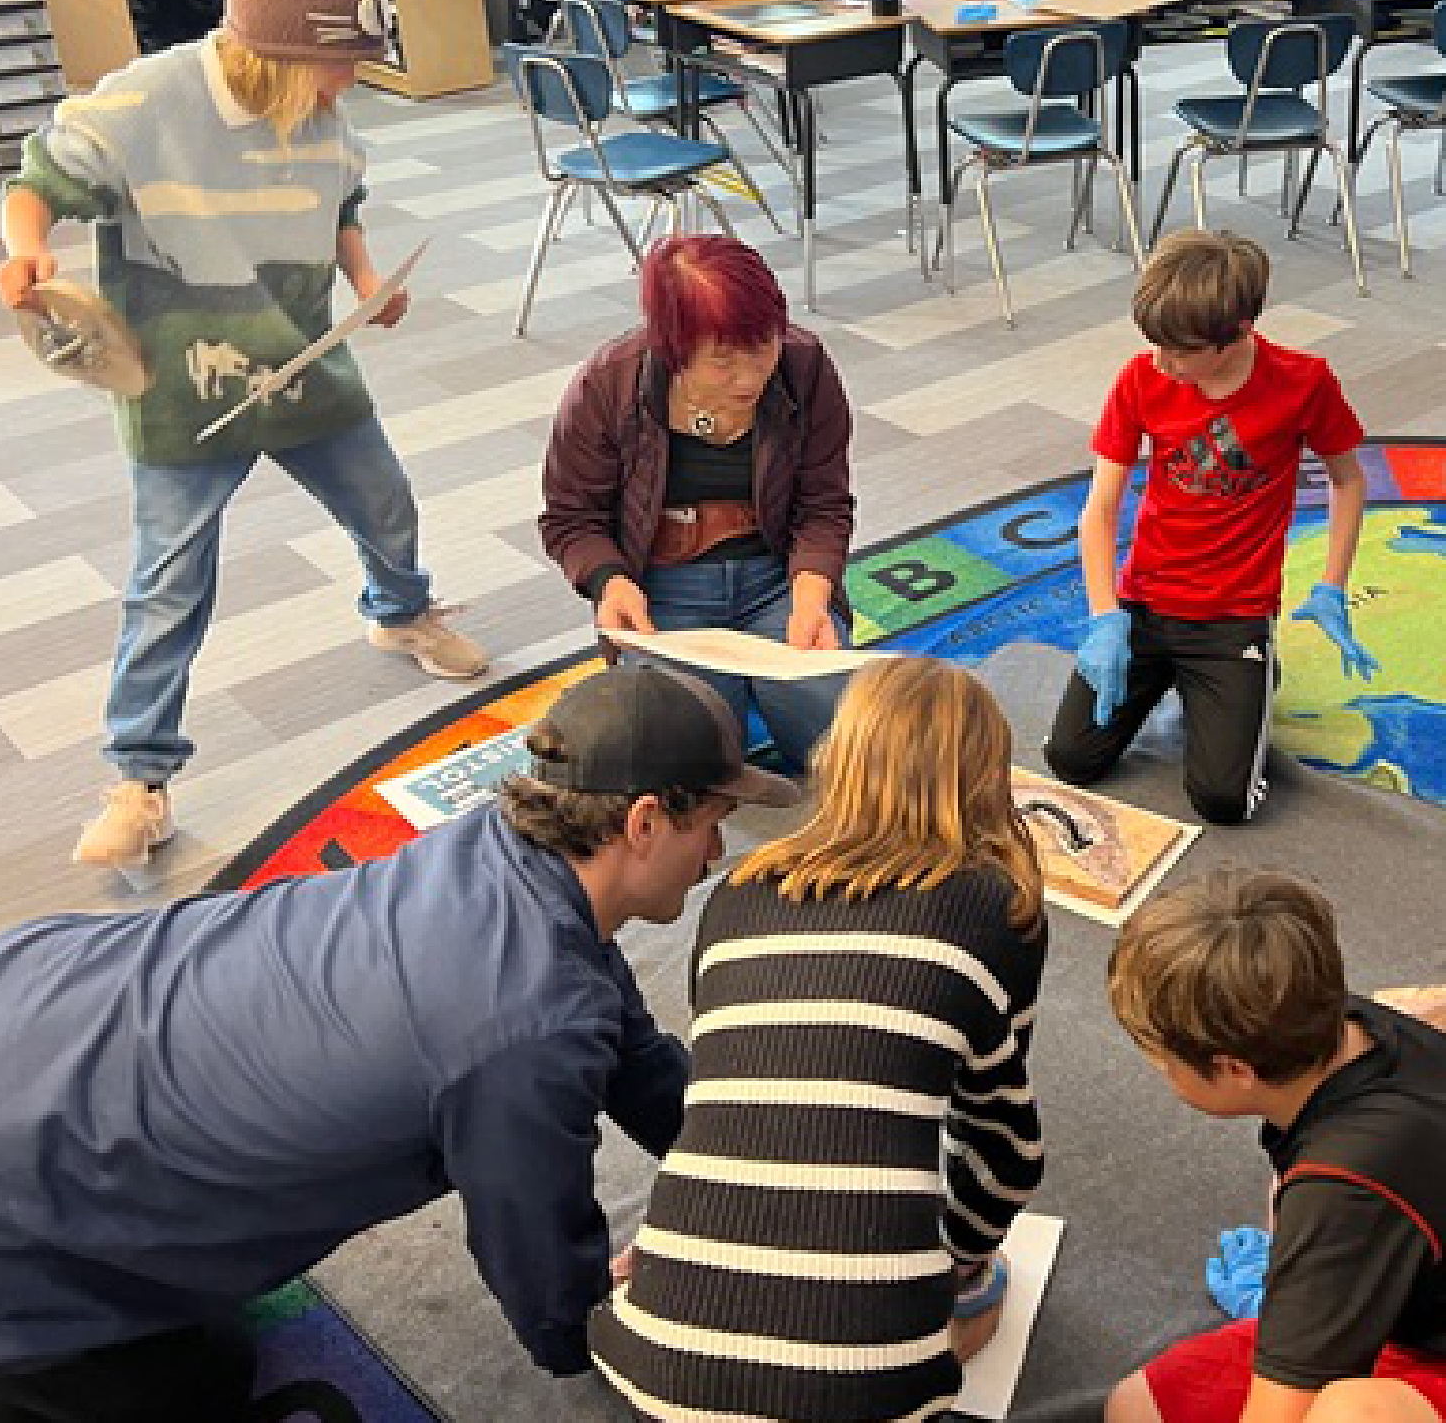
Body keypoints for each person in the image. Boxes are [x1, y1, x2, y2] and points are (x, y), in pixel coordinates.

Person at [0, 662, 799, 1422]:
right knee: (196, 1373)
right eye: (712, 822)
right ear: (646, 821)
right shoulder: (528, 1024)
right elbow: (539, 1264)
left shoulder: (499, 849)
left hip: (6, 996)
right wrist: (595, 1333)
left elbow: (636, 1059)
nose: (719, 853)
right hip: (1, 1188)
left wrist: (753, 1167)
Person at [0, 0, 488, 872]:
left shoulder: (323, 115)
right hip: (181, 387)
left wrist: (367, 279)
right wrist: (27, 246)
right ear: (283, 50)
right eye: (340, 65)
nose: (351, 84)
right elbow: (38, 179)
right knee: (169, 580)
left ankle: (399, 612)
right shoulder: (149, 101)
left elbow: (340, 206)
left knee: (385, 503)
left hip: (302, 361)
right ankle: (139, 777)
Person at [588, 656, 1048, 1423]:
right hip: (863, 1390)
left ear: (838, 755)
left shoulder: (736, 894)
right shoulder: (997, 905)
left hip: (655, 1360)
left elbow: (745, 1083)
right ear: (987, 774)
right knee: (984, 1307)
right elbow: (1005, 1149)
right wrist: (965, 1266)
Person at [1043, 229, 1377, 825]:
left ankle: (1252, 674)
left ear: (1235, 335)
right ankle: (1178, 676)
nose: (1160, 363)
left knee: (1224, 801)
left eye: (1178, 351)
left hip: (1233, 615)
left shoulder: (1304, 383)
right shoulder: (1142, 378)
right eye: (1154, 344)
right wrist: (1104, 618)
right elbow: (1099, 509)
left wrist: (1332, 586)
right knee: (1071, 757)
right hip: (1144, 605)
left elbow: (1348, 478)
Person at [1104, 868, 1446, 1423]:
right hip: (1403, 1302)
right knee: (1138, 1408)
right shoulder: (1337, 1019)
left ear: (1235, 1068)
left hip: (1420, 1349)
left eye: (1164, 1062)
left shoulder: (1345, 1188)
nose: (1164, 1075)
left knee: (1350, 1414)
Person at [540, 233, 856, 774]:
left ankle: (771, 684)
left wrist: (811, 598)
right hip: (663, 591)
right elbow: (571, 519)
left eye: (761, 347)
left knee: (843, 738)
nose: (749, 377)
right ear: (673, 348)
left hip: (776, 577)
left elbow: (824, 504)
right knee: (688, 755)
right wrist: (610, 583)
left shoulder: (804, 366)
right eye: (722, 361)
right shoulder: (609, 382)